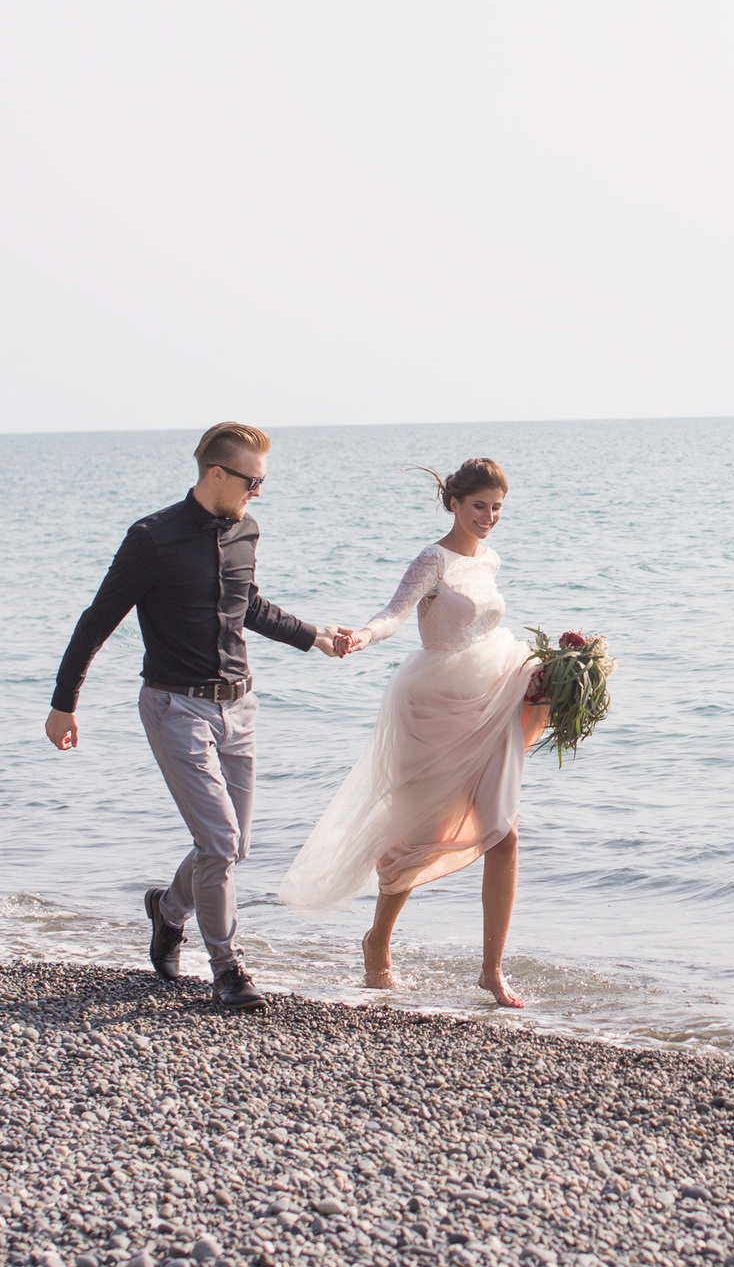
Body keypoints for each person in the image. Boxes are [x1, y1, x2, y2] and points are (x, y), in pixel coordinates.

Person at [45, 422, 347, 1011]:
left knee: (230, 847)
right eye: (252, 481)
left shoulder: (246, 531)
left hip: (240, 706)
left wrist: (313, 637)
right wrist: (65, 702)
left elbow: (246, 606)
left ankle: (166, 909)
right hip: (174, 706)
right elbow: (98, 619)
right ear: (217, 474)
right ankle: (227, 969)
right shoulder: (151, 538)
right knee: (220, 840)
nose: (258, 491)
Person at [279, 458, 548, 1008]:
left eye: (497, 508)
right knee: (414, 834)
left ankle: (491, 971)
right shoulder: (433, 559)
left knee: (504, 832)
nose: (489, 518)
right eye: (480, 506)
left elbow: (486, 628)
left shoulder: (490, 560)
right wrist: (362, 637)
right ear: (454, 502)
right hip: (433, 706)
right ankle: (378, 939)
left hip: (493, 698)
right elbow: (396, 613)